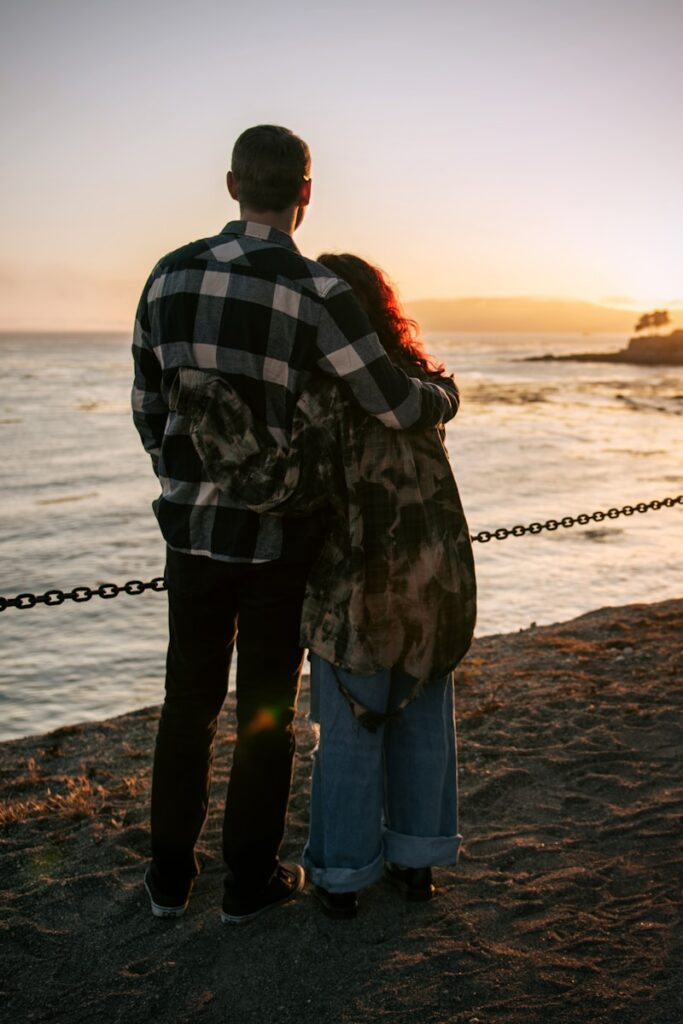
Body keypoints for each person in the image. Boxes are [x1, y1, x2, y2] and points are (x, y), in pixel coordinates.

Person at [131, 125, 459, 924]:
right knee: (264, 713)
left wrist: (181, 482)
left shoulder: (168, 275)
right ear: (304, 193)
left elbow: (147, 404)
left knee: (186, 704)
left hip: (192, 538)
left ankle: (169, 880)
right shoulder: (317, 293)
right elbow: (386, 400)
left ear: (231, 184)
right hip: (281, 540)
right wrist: (443, 396)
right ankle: (249, 884)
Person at [298, 255, 476, 919]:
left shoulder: (316, 390)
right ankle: (416, 864)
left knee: (348, 728)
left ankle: (342, 878)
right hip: (430, 575)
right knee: (423, 720)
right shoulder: (418, 383)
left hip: (352, 584)